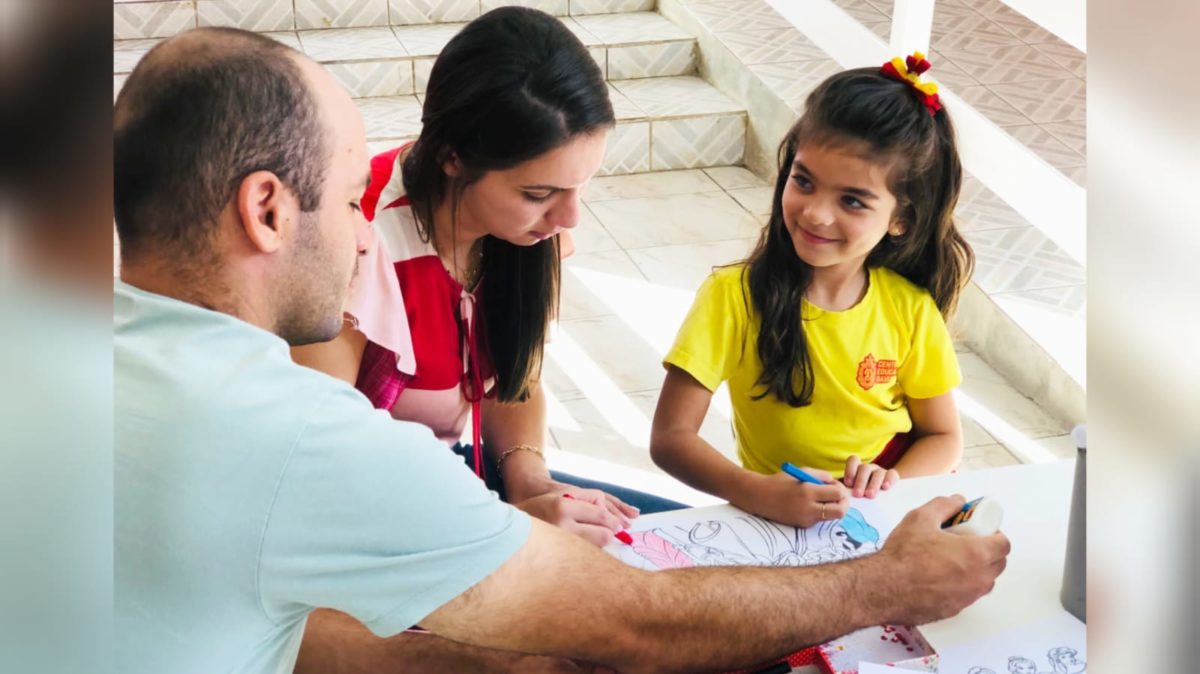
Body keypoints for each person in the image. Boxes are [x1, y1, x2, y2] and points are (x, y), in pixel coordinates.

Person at [114, 28, 1010, 674]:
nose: (360, 233)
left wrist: (530, 482)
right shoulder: (308, 430)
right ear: (268, 209)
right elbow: (639, 626)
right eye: (352, 198)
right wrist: (886, 585)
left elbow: (510, 385)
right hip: (415, 507)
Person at [289, 6, 681, 551]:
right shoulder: (359, 241)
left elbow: (513, 377)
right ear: (453, 157)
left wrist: (530, 483)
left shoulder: (527, 233)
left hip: (465, 482)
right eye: (539, 194)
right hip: (376, 517)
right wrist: (500, 526)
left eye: (581, 188)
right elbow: (315, 469)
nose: (569, 220)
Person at [650, 54, 973, 529]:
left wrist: (887, 483)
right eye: (803, 181)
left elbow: (944, 437)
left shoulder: (910, 309)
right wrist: (755, 491)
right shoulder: (732, 296)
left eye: (852, 200)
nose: (816, 213)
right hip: (773, 521)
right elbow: (671, 438)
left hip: (875, 519)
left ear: (901, 219)